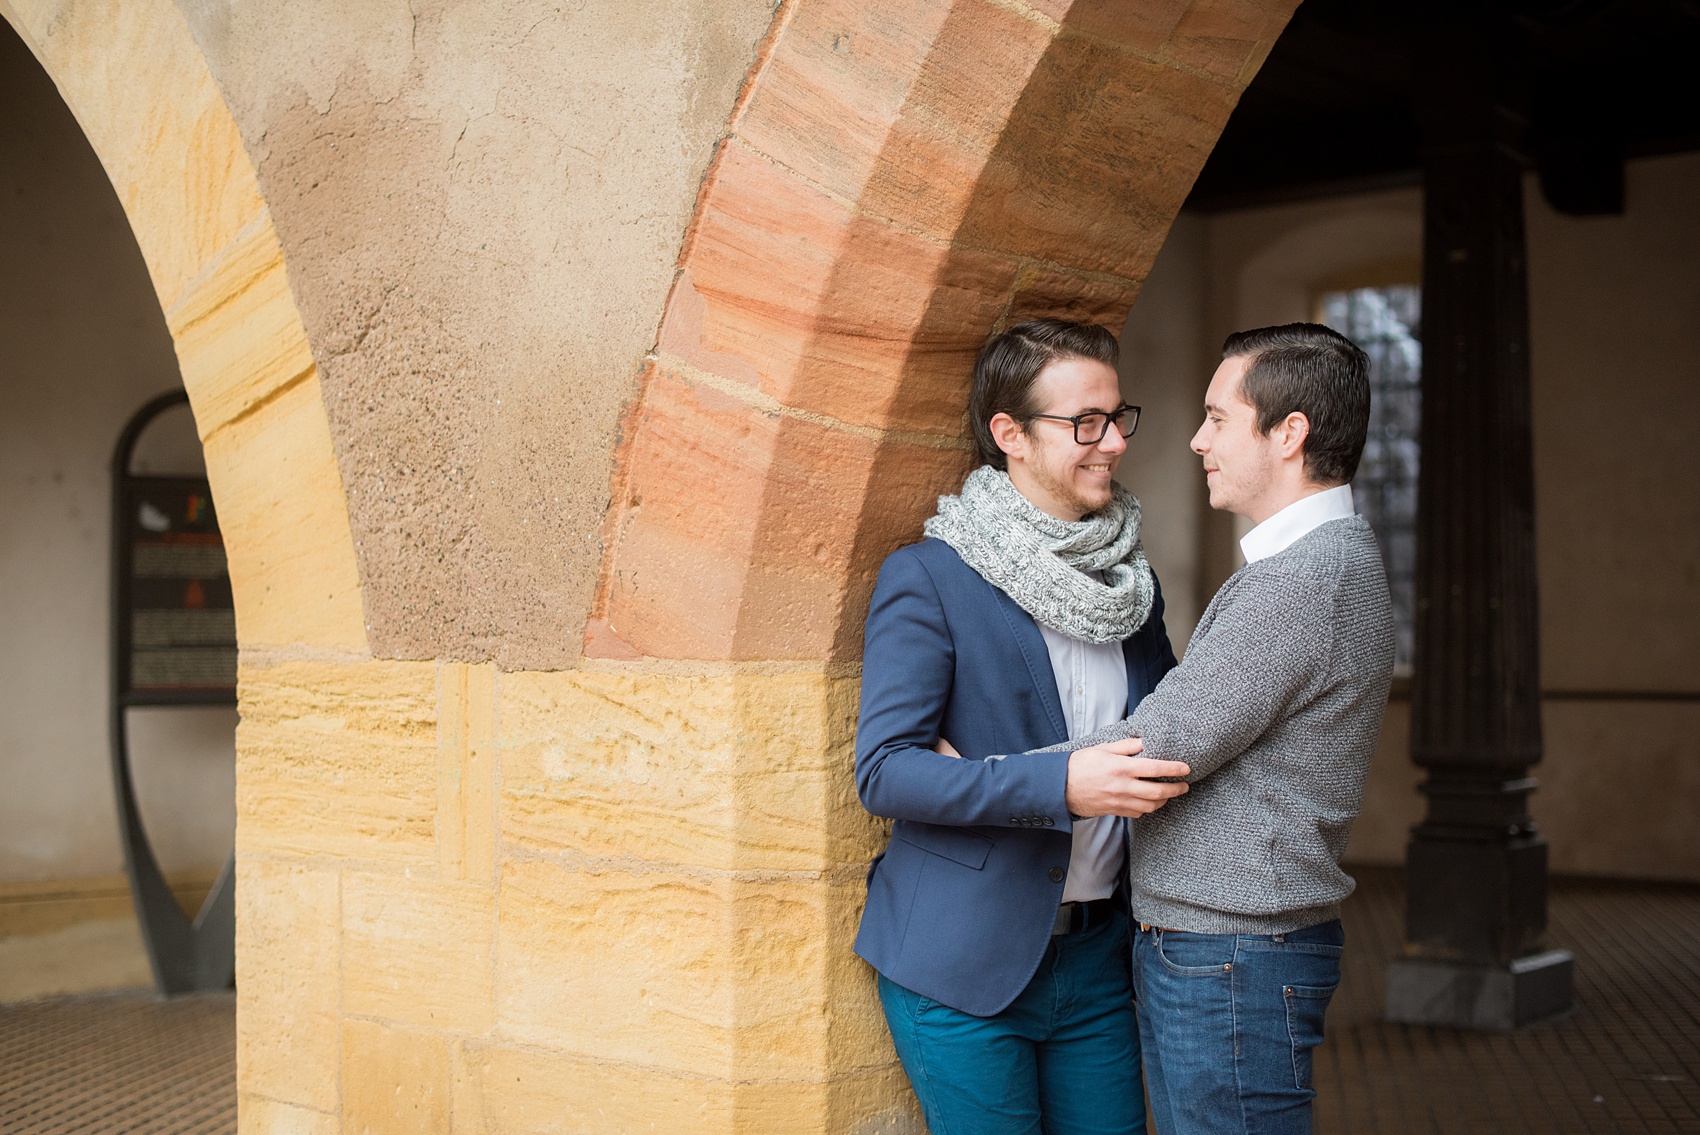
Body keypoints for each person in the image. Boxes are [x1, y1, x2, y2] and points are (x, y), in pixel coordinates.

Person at [1034, 322, 1395, 1134]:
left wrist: (989, 771)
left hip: (1232, 956)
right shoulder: (1317, 562)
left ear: (1289, 432)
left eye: (1218, 417)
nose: (1197, 440)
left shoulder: (1302, 581)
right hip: (1226, 949)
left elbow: (1157, 746)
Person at [853, 317, 1191, 1135]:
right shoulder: (930, 577)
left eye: (1117, 417)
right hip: (959, 966)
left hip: (1096, 959)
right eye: (1084, 424)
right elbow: (885, 771)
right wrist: (1058, 782)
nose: (1111, 441)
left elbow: (1172, 728)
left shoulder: (1129, 584)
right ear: (1009, 434)